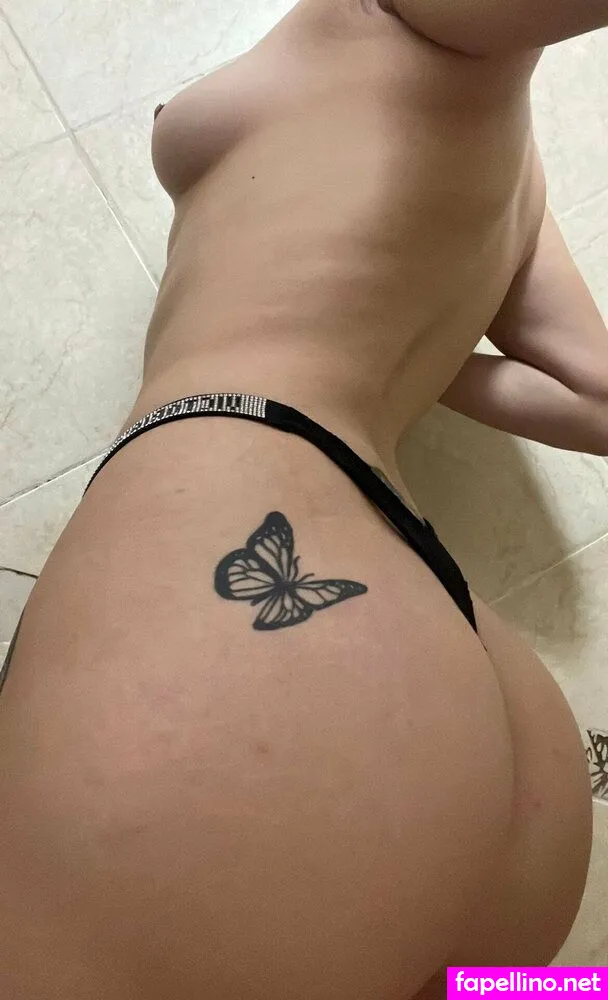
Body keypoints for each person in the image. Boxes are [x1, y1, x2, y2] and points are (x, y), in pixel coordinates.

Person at [2, 0, 607, 996]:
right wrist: (412, 353)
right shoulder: (518, 190)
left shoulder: (406, 19)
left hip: (272, 607)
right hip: (513, 763)